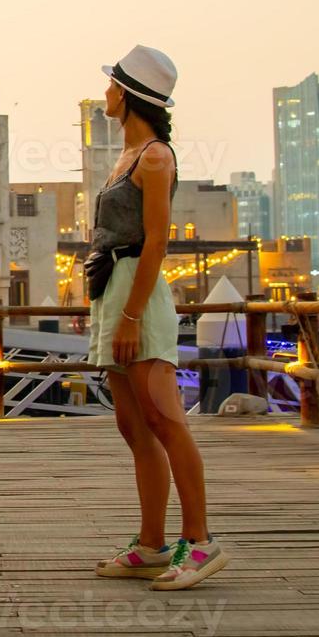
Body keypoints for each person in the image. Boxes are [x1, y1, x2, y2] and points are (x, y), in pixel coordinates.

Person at [87, 46, 230, 591]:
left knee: (165, 416)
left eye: (110, 86)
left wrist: (129, 315)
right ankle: (151, 544)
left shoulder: (154, 157)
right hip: (113, 291)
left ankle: (199, 542)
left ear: (125, 94)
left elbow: (156, 244)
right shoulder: (125, 156)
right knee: (132, 423)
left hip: (138, 298)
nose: (104, 93)